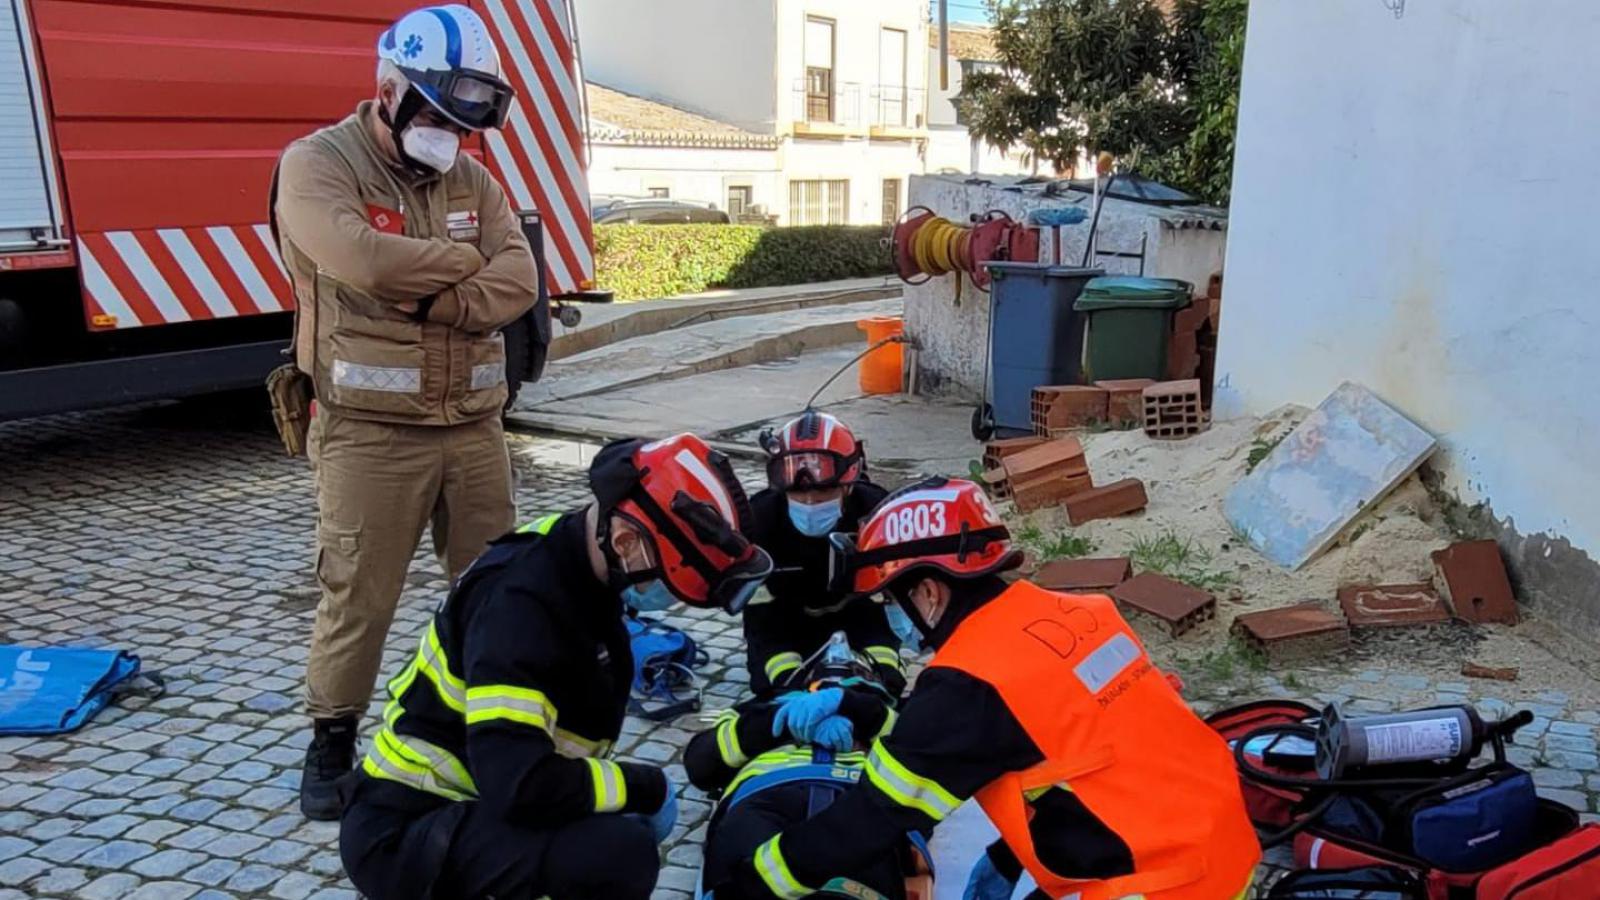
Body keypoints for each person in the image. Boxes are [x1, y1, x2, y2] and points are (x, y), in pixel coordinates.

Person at [709, 478, 1261, 900]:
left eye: (891, 599)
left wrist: (760, 878)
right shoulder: (1083, 613)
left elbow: (873, 817)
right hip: (1219, 838)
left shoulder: (966, 683)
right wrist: (1006, 857)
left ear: (927, 591)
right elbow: (1095, 758)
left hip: (1164, 880)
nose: (895, 617)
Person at [271, 5, 538, 819]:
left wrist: (421, 297)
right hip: (369, 430)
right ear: (388, 90)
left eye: (461, 122)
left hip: (473, 424)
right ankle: (332, 739)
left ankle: (483, 727)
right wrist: (466, 268)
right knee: (361, 592)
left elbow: (521, 280)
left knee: (496, 591)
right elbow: (354, 255)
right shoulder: (317, 165)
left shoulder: (475, 178)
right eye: (432, 114)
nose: (445, 135)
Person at [339, 433, 774, 900]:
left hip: (469, 802)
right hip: (407, 832)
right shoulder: (521, 607)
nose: (669, 601)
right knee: (620, 852)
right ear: (626, 540)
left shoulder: (576, 553)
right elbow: (520, 784)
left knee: (628, 819)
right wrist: (637, 783)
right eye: (668, 582)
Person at [685, 633, 916, 900]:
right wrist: (778, 721)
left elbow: (925, 751)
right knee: (746, 887)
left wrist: (856, 708)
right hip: (767, 795)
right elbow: (701, 763)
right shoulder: (763, 707)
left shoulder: (891, 714)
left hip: (861, 804)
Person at [745, 411, 901, 698]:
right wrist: (787, 680)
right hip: (784, 625)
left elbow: (886, 607)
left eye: (823, 494)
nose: (809, 503)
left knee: (883, 687)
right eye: (798, 496)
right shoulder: (759, 521)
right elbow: (760, 619)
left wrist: (881, 670)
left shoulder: (875, 513)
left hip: (860, 621)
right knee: (776, 691)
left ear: (849, 485)